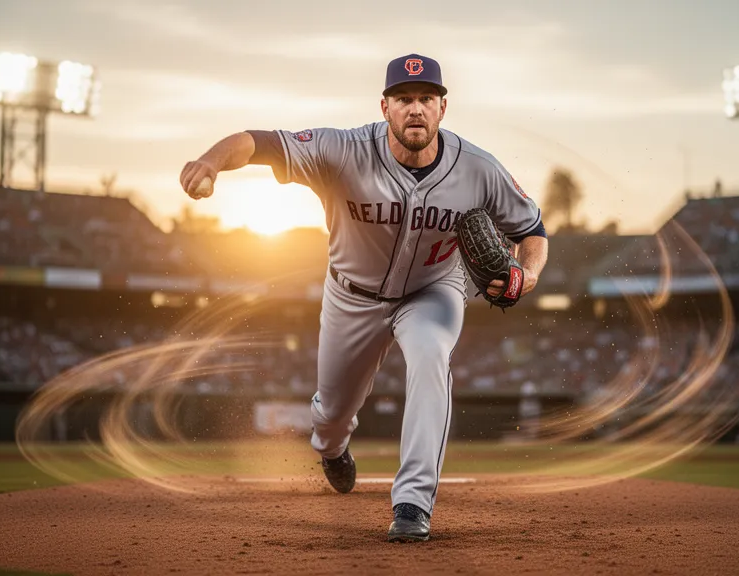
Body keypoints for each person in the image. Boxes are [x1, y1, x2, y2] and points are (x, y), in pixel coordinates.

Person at [179, 53, 549, 542]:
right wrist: (211, 161)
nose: (415, 109)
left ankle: (413, 503)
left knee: (431, 354)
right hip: (351, 295)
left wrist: (527, 273)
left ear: (442, 108)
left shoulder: (478, 168)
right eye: (403, 99)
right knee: (332, 414)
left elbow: (531, 229)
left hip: (433, 290)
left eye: (426, 99)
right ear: (384, 107)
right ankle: (332, 448)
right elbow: (260, 142)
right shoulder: (342, 150)